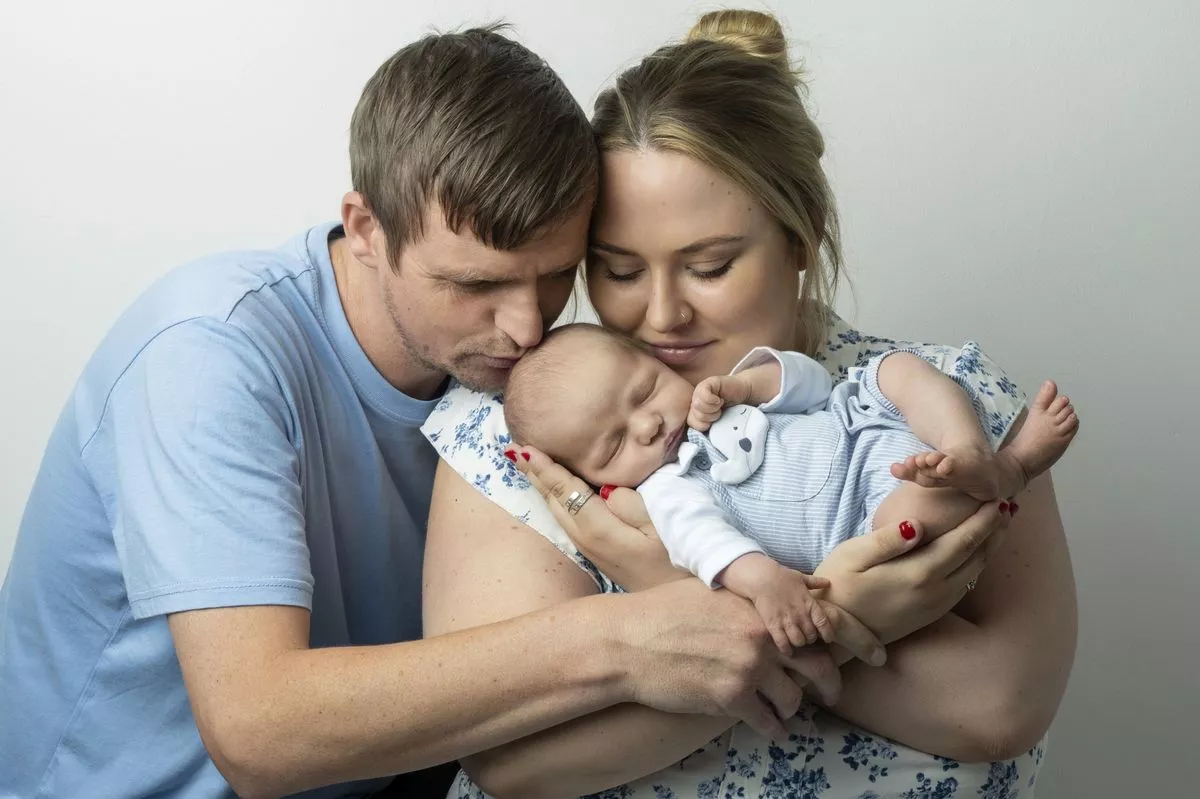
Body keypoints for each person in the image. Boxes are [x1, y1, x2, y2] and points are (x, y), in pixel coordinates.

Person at [0, 25, 894, 799]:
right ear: (365, 228)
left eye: (555, 277)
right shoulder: (206, 355)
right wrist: (627, 637)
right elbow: (257, 734)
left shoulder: (550, 383)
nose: (524, 325)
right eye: (475, 284)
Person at [422, 9, 1076, 798]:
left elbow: (998, 707)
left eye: (708, 265)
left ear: (799, 238)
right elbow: (516, 761)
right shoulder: (528, 425)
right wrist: (833, 620)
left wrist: (671, 582)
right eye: (619, 270)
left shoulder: (946, 403)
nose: (660, 316)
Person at [502, 323, 1078, 652]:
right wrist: (766, 582)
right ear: (592, 477)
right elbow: (704, 546)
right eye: (614, 444)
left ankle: (970, 450)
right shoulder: (667, 489)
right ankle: (1017, 465)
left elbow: (812, 383)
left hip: (861, 426)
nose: (649, 423)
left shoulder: (715, 395)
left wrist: (744, 384)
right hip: (861, 514)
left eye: (646, 389)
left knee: (896, 369)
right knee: (911, 522)